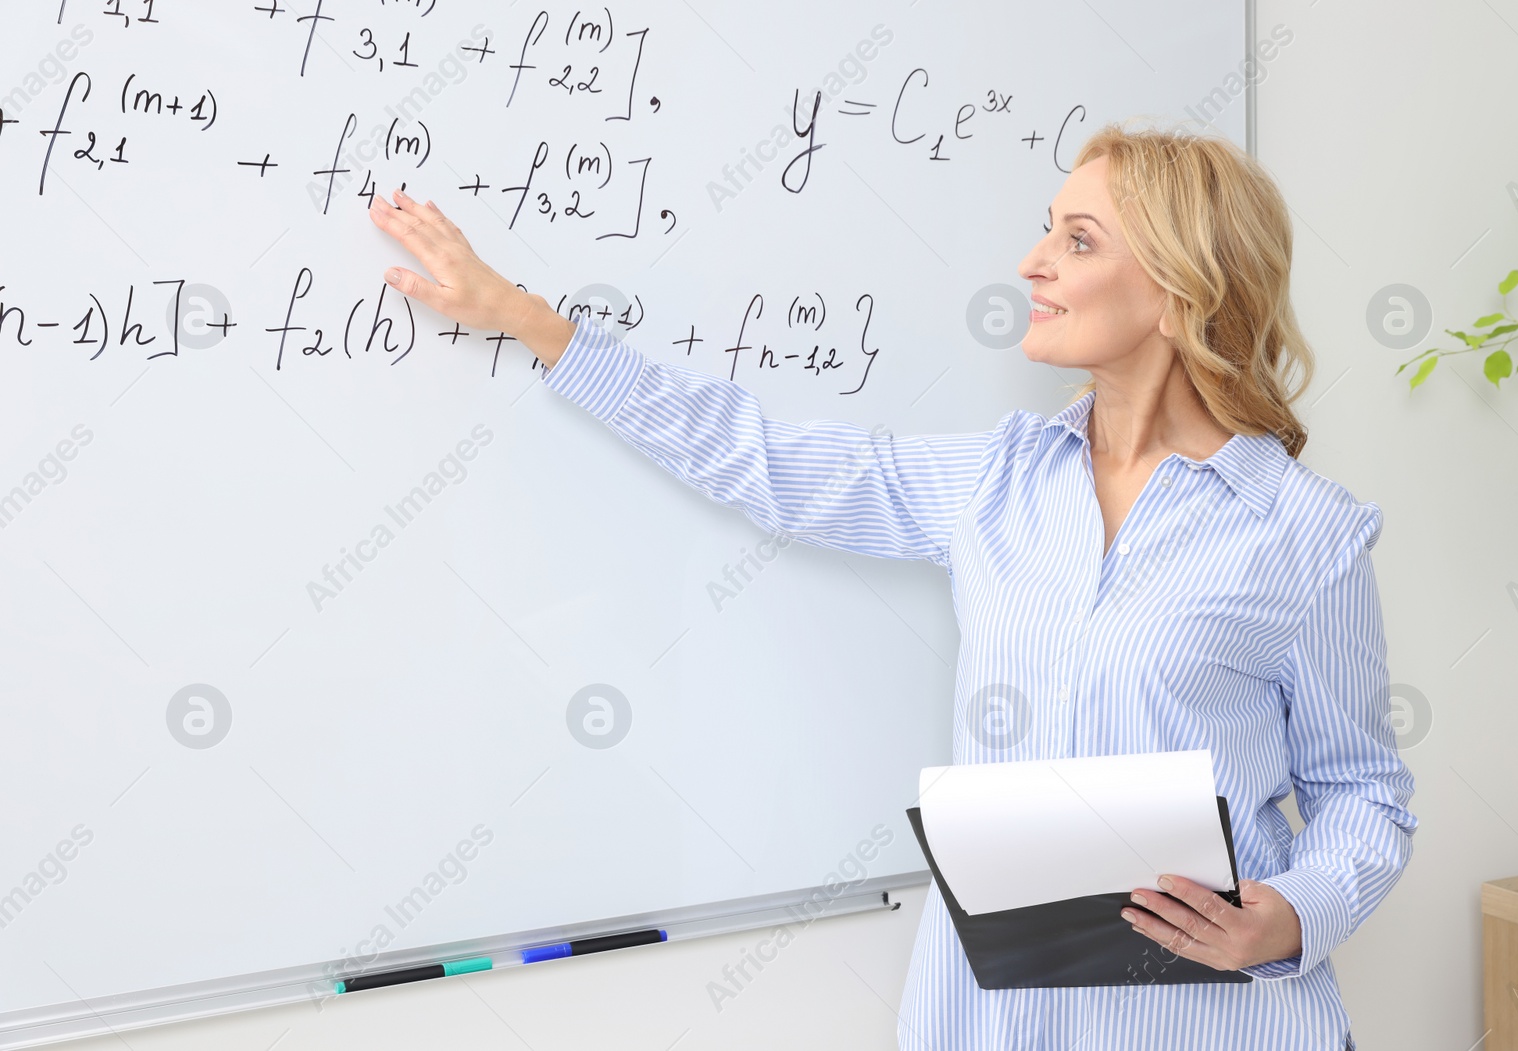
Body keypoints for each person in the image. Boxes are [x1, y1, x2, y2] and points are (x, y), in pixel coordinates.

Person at [367, 122, 1418, 1051]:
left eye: (1077, 240)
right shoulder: (995, 481)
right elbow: (762, 459)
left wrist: (1285, 913)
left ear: (1181, 289)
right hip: (991, 1015)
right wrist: (526, 318)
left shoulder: (1304, 532)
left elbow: (1363, 793)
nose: (1032, 262)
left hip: (1210, 1021)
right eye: (1047, 229)